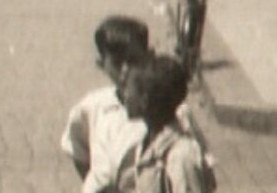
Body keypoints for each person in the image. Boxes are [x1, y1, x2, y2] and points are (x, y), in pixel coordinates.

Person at [62, 15, 152, 192]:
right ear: (102, 64)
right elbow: (77, 150)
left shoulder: (165, 107)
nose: (126, 70)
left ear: (149, 57)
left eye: (133, 60)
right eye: (117, 63)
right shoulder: (93, 107)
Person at [114, 55, 216, 193]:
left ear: (145, 101)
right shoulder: (148, 141)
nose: (123, 94)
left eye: (127, 88)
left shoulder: (180, 156)